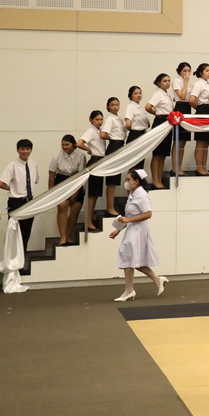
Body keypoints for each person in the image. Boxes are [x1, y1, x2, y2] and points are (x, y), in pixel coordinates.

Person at [108, 169, 168, 302]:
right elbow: (129, 215)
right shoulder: (132, 194)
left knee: (130, 258)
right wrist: (118, 229)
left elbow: (148, 214)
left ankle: (130, 290)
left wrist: (128, 220)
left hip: (138, 231)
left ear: (136, 181)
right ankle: (156, 280)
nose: (126, 182)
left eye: (128, 180)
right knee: (133, 259)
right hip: (132, 230)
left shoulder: (142, 195)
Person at [0, 138, 38, 252]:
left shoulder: (33, 164)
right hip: (16, 202)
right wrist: (13, 188)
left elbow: (35, 180)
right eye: (22, 149)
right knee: (14, 234)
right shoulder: (12, 165)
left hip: (30, 202)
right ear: (17, 150)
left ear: (31, 150)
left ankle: (22, 261)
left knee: (26, 234)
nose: (25, 151)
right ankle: (12, 261)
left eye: (27, 149)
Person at [49, 134, 87, 246]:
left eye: (67, 145)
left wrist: (75, 193)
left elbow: (81, 175)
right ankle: (63, 237)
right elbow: (51, 175)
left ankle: (68, 236)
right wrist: (51, 192)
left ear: (74, 145)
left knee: (75, 208)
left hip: (77, 180)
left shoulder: (81, 156)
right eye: (63, 145)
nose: (64, 147)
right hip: (62, 180)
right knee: (62, 206)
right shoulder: (56, 156)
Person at [76, 111, 108, 233]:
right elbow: (79, 143)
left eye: (101, 119)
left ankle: (90, 220)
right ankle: (88, 222)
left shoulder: (100, 131)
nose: (100, 122)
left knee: (95, 195)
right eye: (97, 119)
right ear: (91, 120)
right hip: (95, 161)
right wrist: (90, 150)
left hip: (101, 162)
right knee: (91, 195)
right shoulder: (90, 131)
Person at [144, 73, 174, 188]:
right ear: (158, 83)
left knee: (163, 154)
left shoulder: (167, 95)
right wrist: (156, 113)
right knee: (157, 154)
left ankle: (159, 178)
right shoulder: (157, 94)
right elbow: (148, 107)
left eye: (168, 80)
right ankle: (155, 180)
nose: (167, 83)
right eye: (164, 81)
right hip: (161, 121)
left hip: (168, 122)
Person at [101, 96, 126, 214]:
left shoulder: (119, 119)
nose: (115, 107)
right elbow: (103, 134)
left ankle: (111, 206)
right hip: (114, 146)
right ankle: (109, 207)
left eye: (117, 104)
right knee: (112, 180)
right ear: (108, 107)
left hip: (120, 145)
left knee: (115, 179)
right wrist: (113, 138)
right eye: (112, 105)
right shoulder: (110, 119)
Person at [189, 64, 209, 175]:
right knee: (200, 142)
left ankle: (204, 167)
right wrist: (200, 109)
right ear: (201, 73)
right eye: (207, 71)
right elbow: (192, 100)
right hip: (203, 110)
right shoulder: (198, 84)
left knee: (206, 143)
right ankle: (199, 167)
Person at [170, 62, 194, 175]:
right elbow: (182, 96)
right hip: (180, 108)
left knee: (183, 141)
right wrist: (185, 82)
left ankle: (179, 167)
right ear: (179, 72)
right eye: (184, 71)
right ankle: (174, 168)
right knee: (178, 141)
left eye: (189, 71)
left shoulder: (190, 83)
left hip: (188, 108)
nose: (187, 73)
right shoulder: (177, 81)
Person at [123, 84, 151, 172]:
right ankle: (132, 179)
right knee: (134, 162)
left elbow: (148, 124)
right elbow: (128, 124)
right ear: (130, 96)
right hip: (135, 135)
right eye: (135, 94)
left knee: (141, 161)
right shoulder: (130, 106)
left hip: (142, 134)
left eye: (140, 93)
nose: (138, 95)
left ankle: (138, 179)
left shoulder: (141, 108)